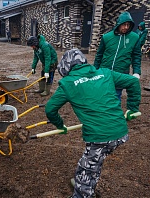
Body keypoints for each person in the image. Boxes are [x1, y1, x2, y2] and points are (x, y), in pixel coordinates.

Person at [45, 48, 141, 198]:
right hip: (120, 132)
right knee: (94, 161)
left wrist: (60, 125)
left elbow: (50, 109)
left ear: (66, 67)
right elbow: (133, 82)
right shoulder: (105, 73)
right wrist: (131, 108)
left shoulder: (68, 83)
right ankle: (86, 184)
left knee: (87, 169)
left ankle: (83, 192)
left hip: (100, 136)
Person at [94, 11, 141, 100]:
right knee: (101, 96)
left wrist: (136, 72)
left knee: (116, 97)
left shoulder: (134, 38)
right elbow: (99, 55)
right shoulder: (107, 37)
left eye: (128, 25)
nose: (126, 27)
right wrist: (95, 70)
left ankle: (113, 113)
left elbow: (136, 56)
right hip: (105, 72)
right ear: (119, 24)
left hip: (121, 73)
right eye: (124, 24)